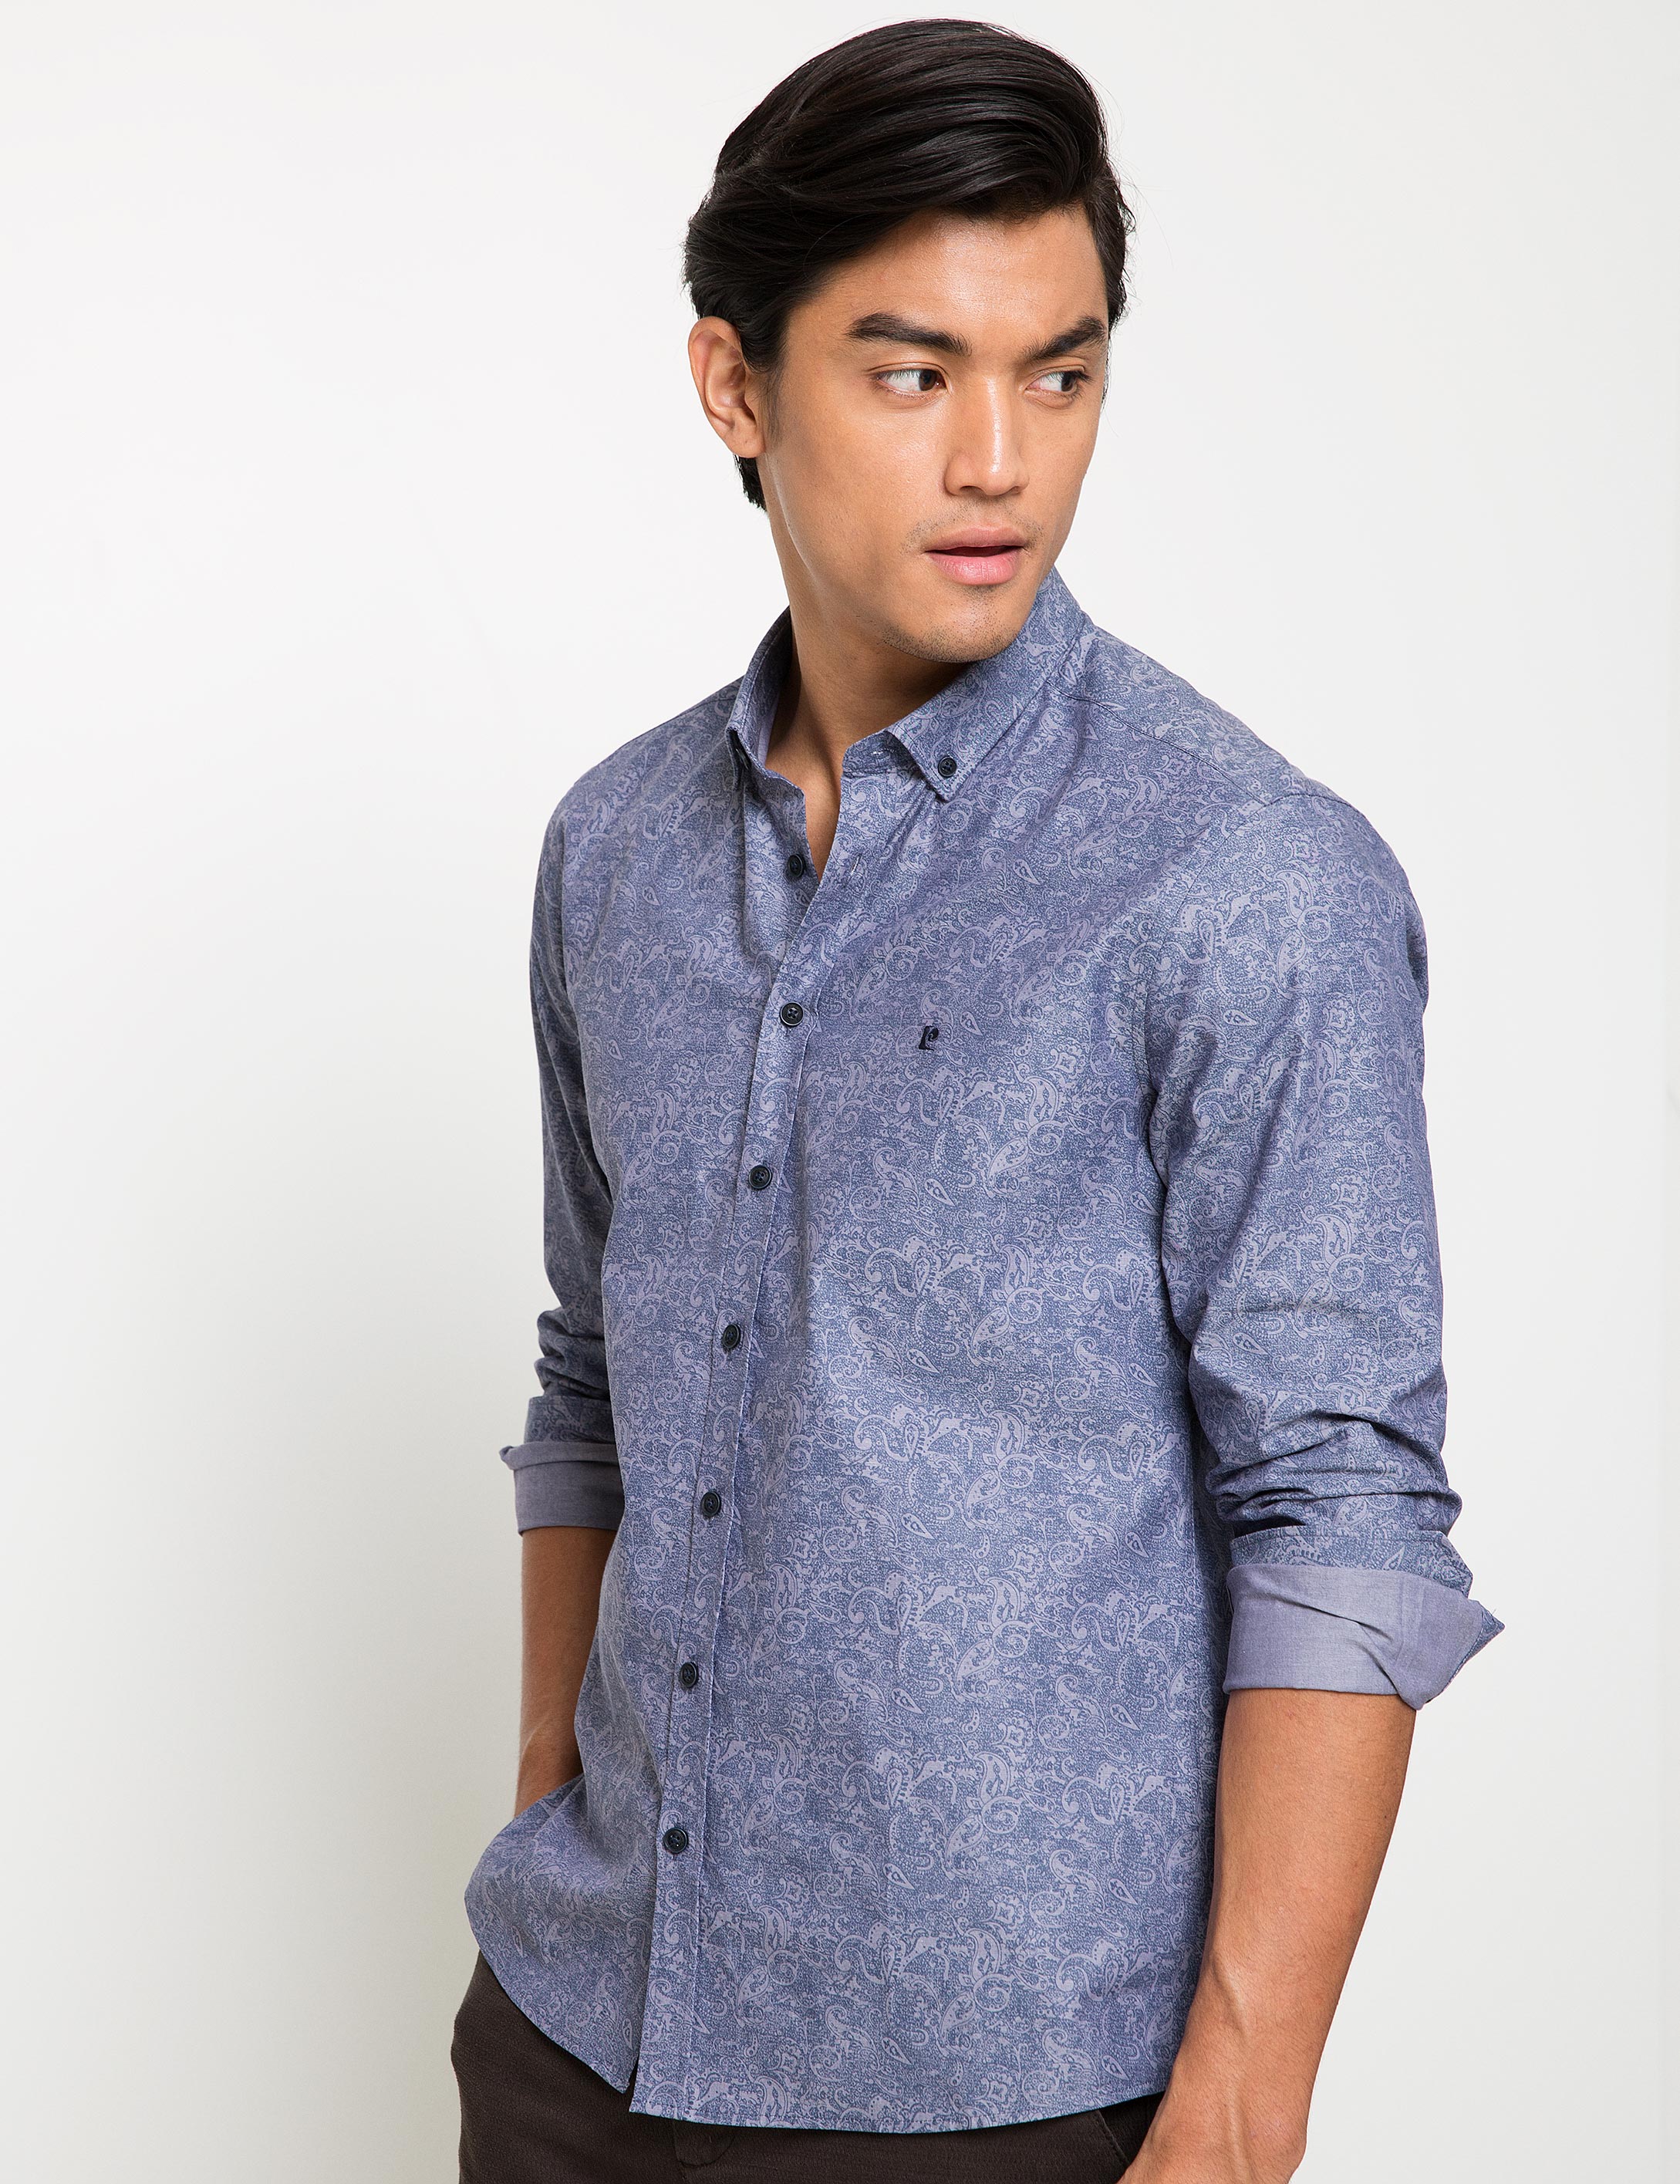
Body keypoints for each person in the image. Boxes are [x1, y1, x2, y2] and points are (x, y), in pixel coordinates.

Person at [450, 20, 1503, 2182]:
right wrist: (554, 1796)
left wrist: (1236, 2116)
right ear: (736, 386)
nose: (1000, 461)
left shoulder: (1244, 879)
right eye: (913, 372)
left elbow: (1340, 1508)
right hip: (575, 2038)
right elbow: (595, 1378)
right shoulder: (613, 852)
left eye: (1062, 371)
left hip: (998, 2093)